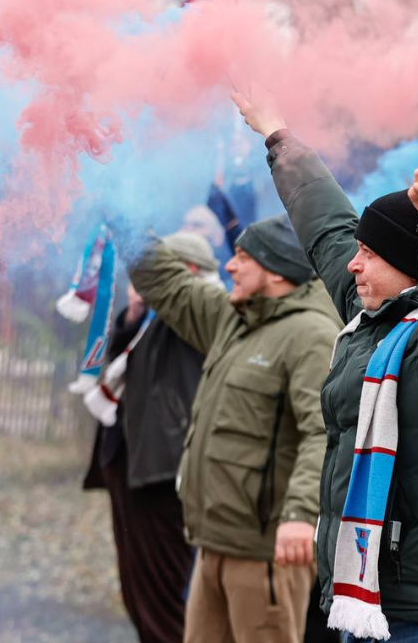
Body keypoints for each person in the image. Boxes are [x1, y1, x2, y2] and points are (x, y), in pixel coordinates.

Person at [231, 90, 418, 643]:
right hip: (365, 605)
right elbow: (325, 224)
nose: (352, 263)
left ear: (414, 268)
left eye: (369, 254)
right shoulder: (377, 315)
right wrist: (278, 134)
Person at [118, 214, 342, 643]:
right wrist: (118, 216)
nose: (229, 267)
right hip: (214, 545)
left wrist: (300, 515)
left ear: (275, 270)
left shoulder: (311, 335)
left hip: (265, 554)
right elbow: (167, 282)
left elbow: (323, 433)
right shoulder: (234, 318)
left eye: (243, 258)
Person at [83, 232, 219, 643]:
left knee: (163, 598)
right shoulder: (154, 316)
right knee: (137, 593)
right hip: (131, 467)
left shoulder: (202, 312)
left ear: (188, 273)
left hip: (164, 473)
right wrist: (134, 313)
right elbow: (123, 362)